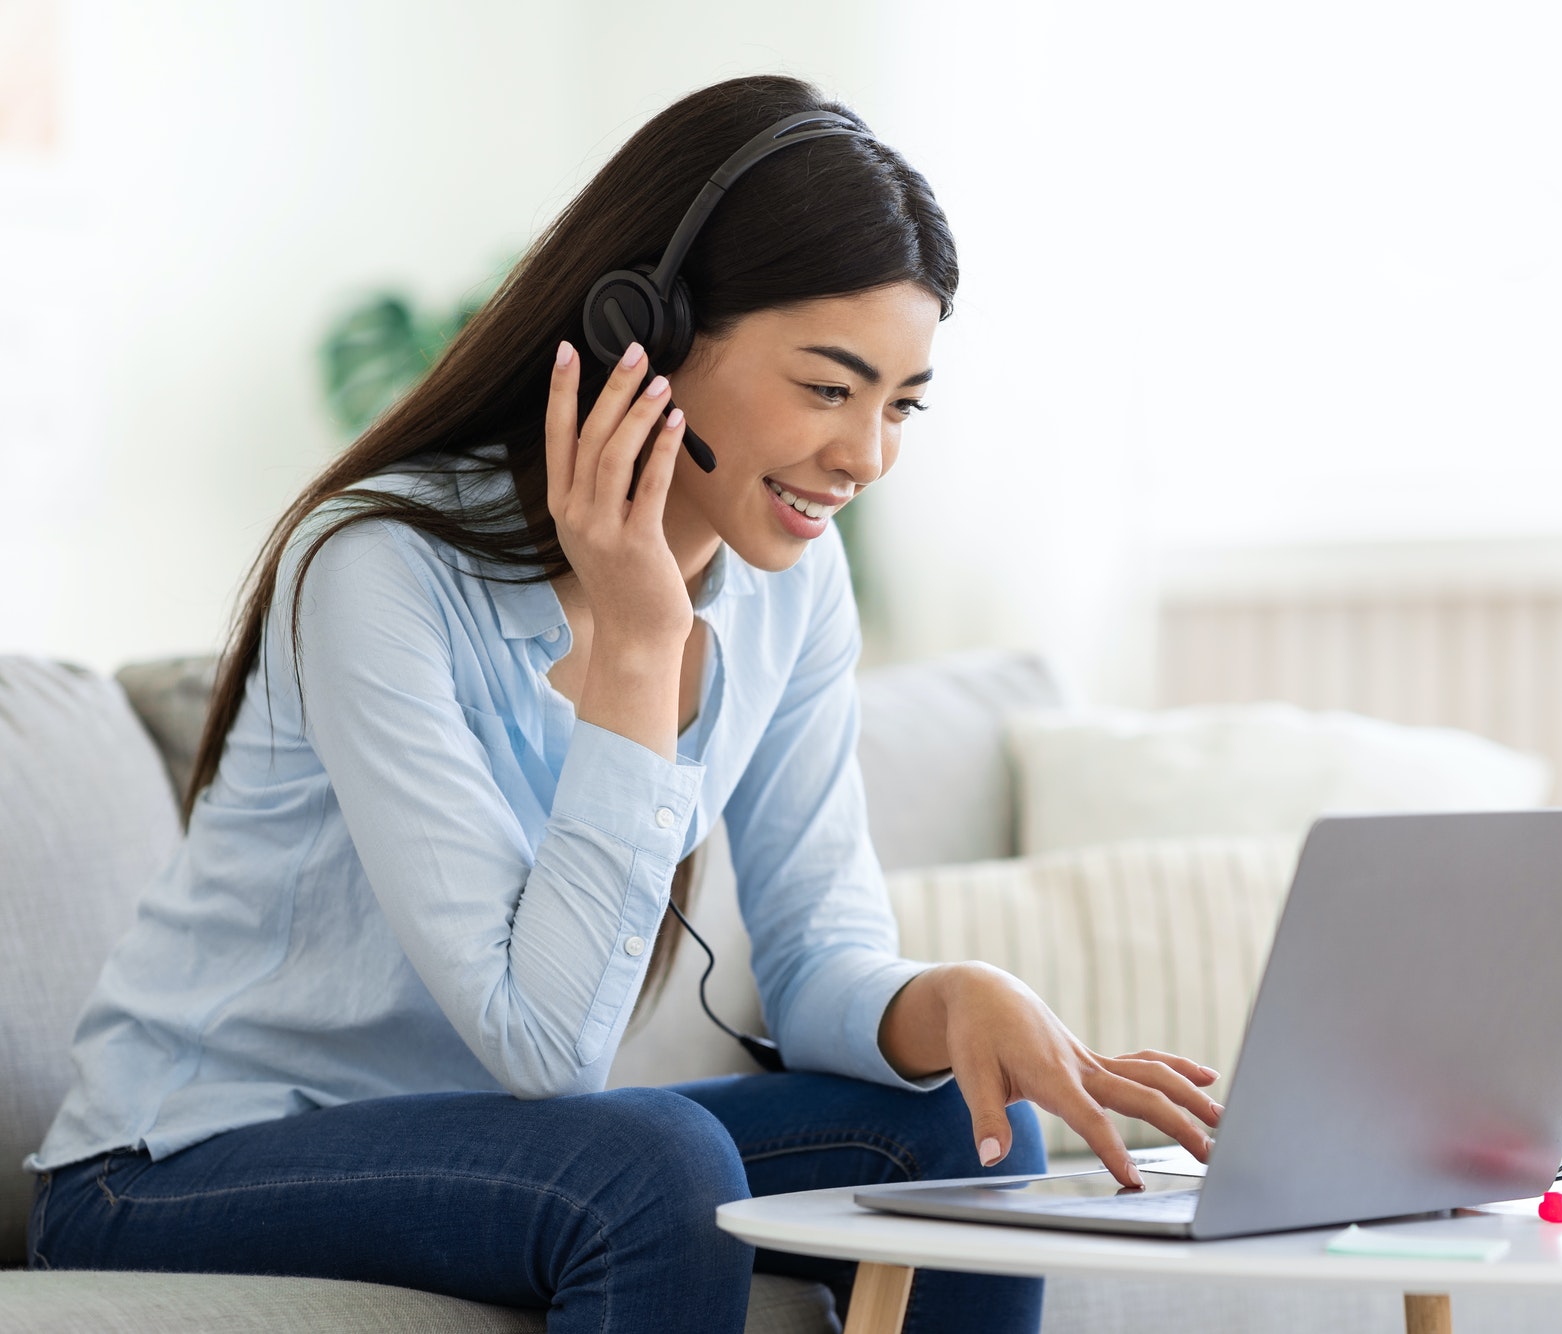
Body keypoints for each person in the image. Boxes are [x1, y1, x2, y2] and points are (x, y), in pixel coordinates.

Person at [22, 74, 1223, 1334]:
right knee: (649, 1168)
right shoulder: (377, 569)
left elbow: (818, 954)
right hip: (173, 1164)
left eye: (899, 403)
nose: (867, 455)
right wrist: (643, 643)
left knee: (956, 1130)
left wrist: (947, 1000)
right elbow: (543, 1050)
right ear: (645, 328)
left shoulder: (791, 588)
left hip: (473, 1145)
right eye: (828, 387)